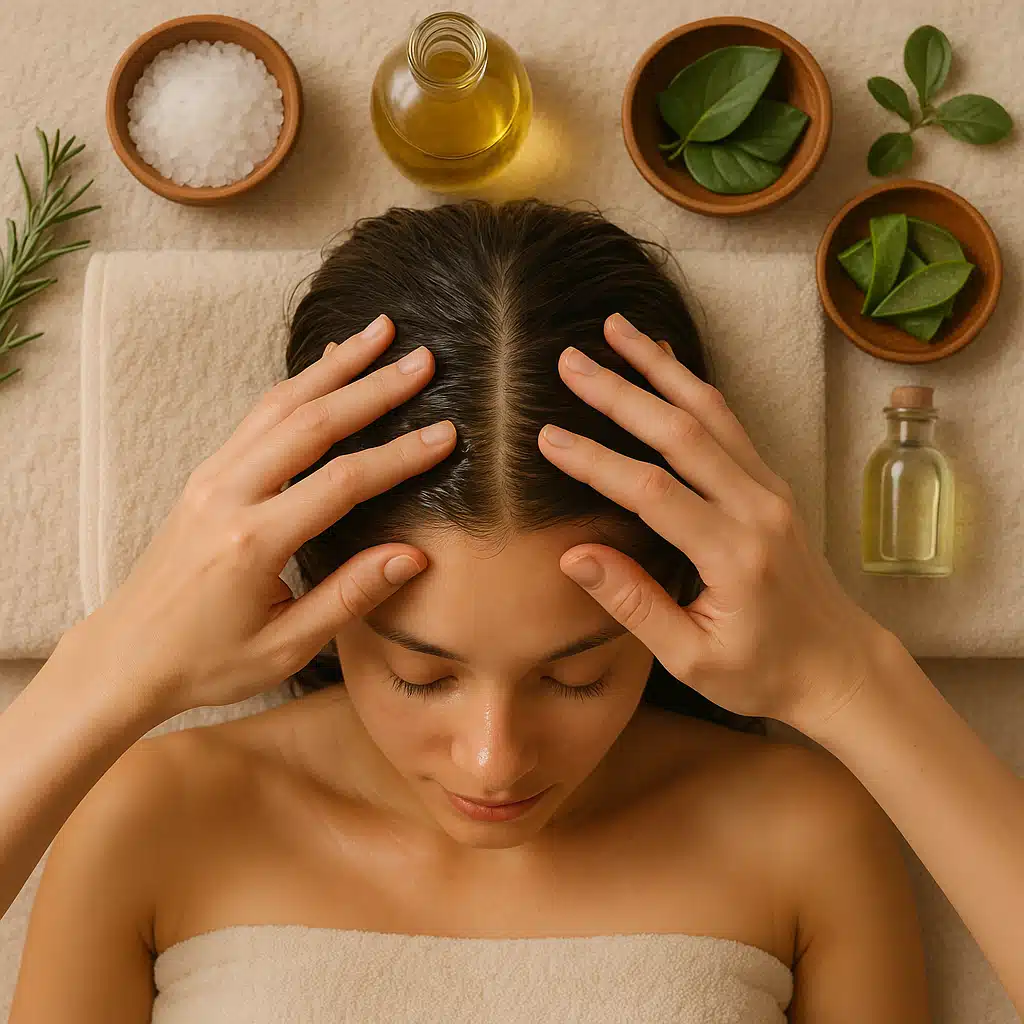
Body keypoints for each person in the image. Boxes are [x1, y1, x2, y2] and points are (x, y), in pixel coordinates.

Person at [0, 199, 1016, 1020]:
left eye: (577, 673)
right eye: (422, 674)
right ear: (312, 582)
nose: (496, 759)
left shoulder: (801, 829)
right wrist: (112, 669)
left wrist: (851, 678)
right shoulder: (154, 814)